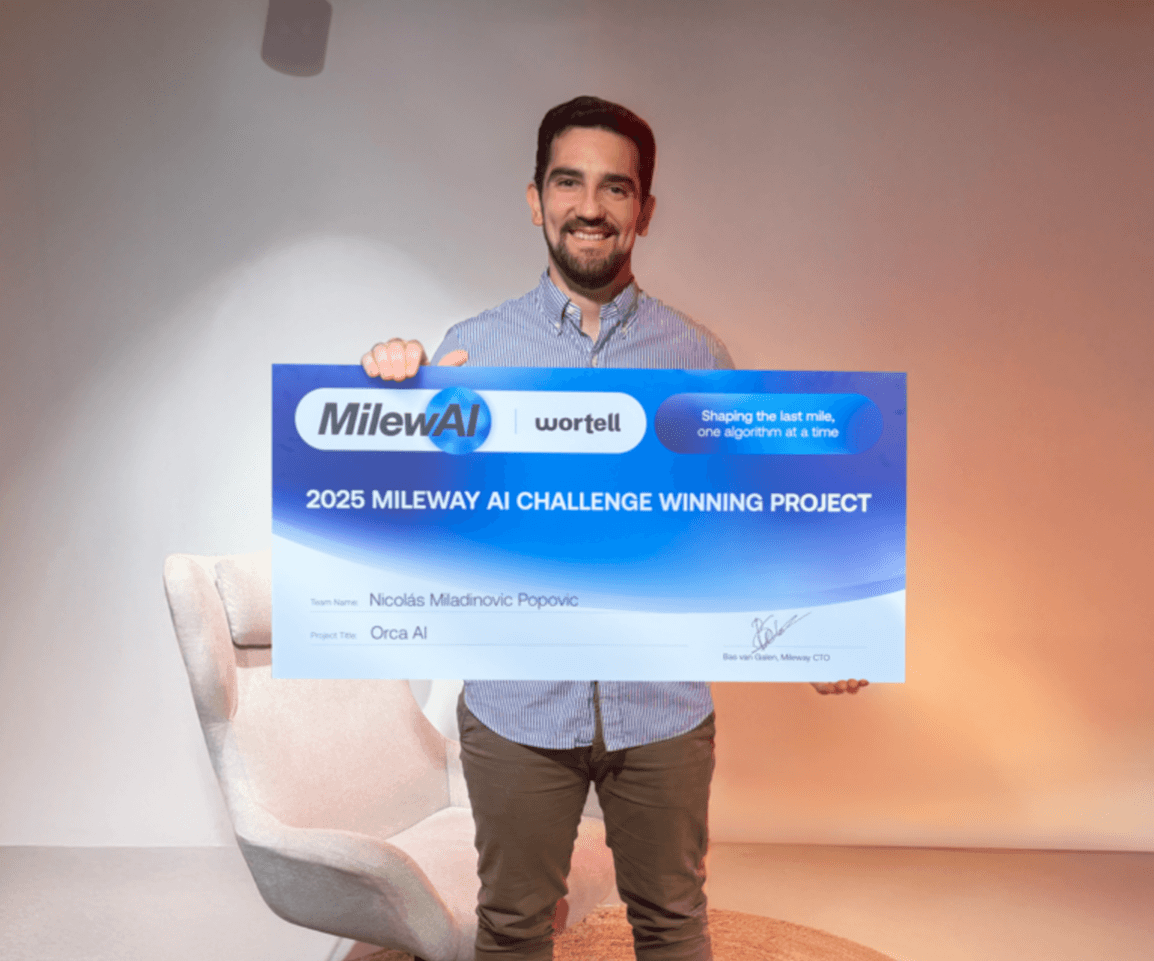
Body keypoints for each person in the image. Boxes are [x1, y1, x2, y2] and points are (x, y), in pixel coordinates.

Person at [362, 96, 866, 961]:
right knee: (514, 928)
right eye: (569, 182)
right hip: (518, 707)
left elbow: (743, 520)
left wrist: (820, 636)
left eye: (615, 187)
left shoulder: (699, 358)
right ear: (535, 199)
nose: (590, 206)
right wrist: (386, 395)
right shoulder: (469, 354)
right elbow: (414, 522)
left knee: (673, 926)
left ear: (644, 209)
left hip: (661, 710)